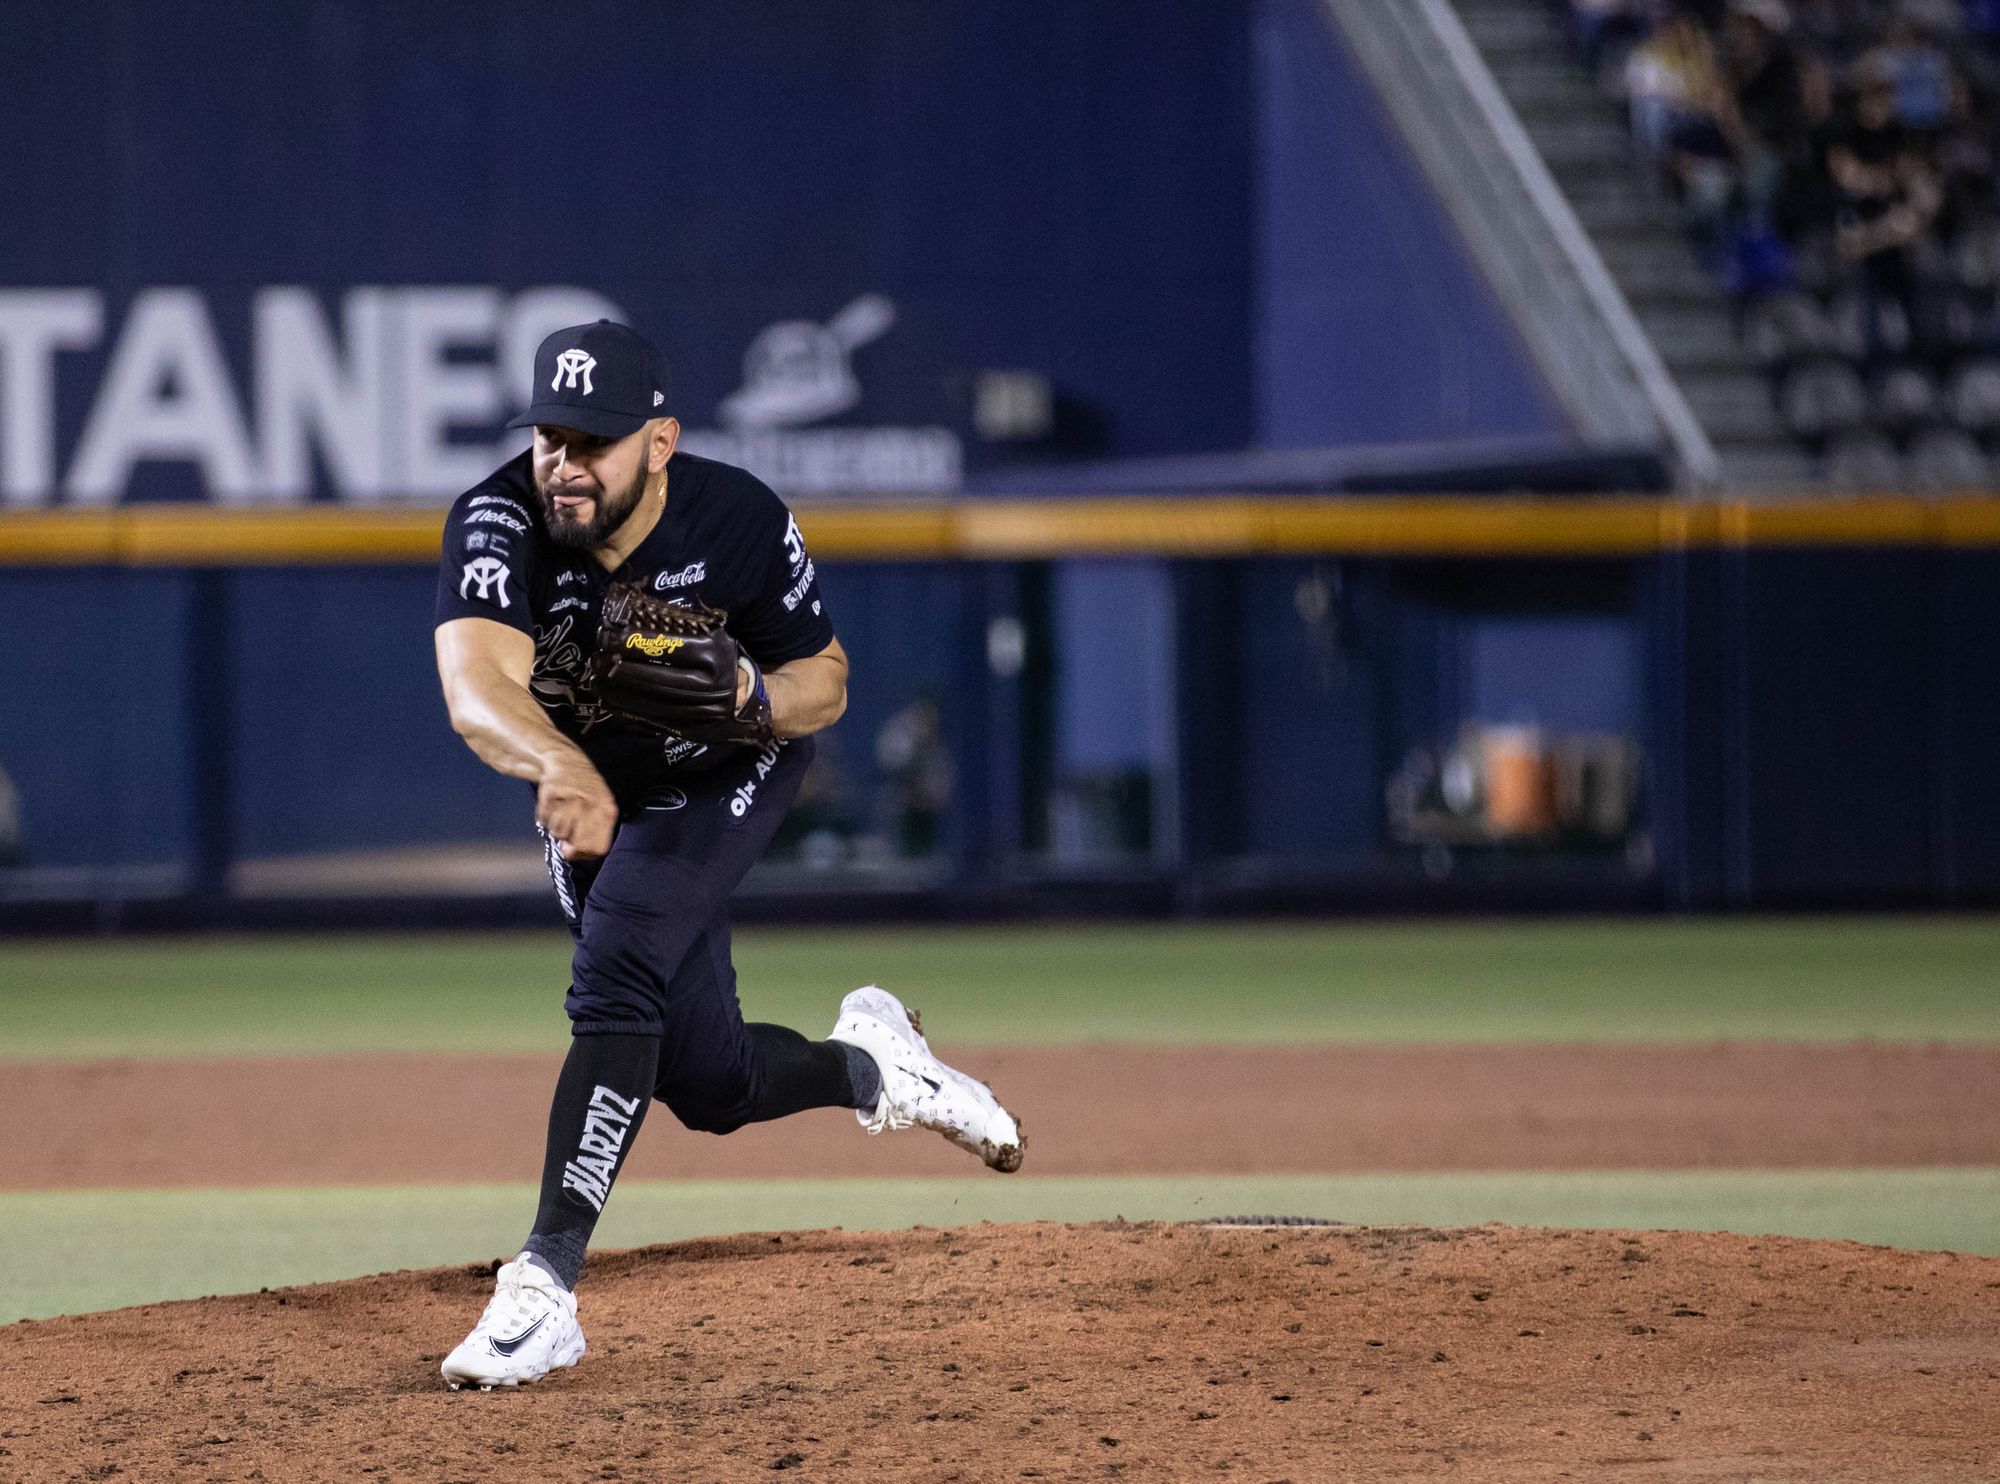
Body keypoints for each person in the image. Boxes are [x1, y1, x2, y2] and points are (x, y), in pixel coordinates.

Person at [430, 320, 1024, 1391]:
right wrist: (558, 764)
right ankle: (877, 1066)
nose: (561, 462)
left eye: (591, 440)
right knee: (708, 1079)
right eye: (548, 436)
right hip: (596, 790)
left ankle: (543, 1285)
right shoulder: (498, 516)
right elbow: (475, 686)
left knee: (615, 959)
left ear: (658, 441)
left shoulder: (735, 514)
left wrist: (752, 696)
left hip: (724, 771)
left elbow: (825, 680)